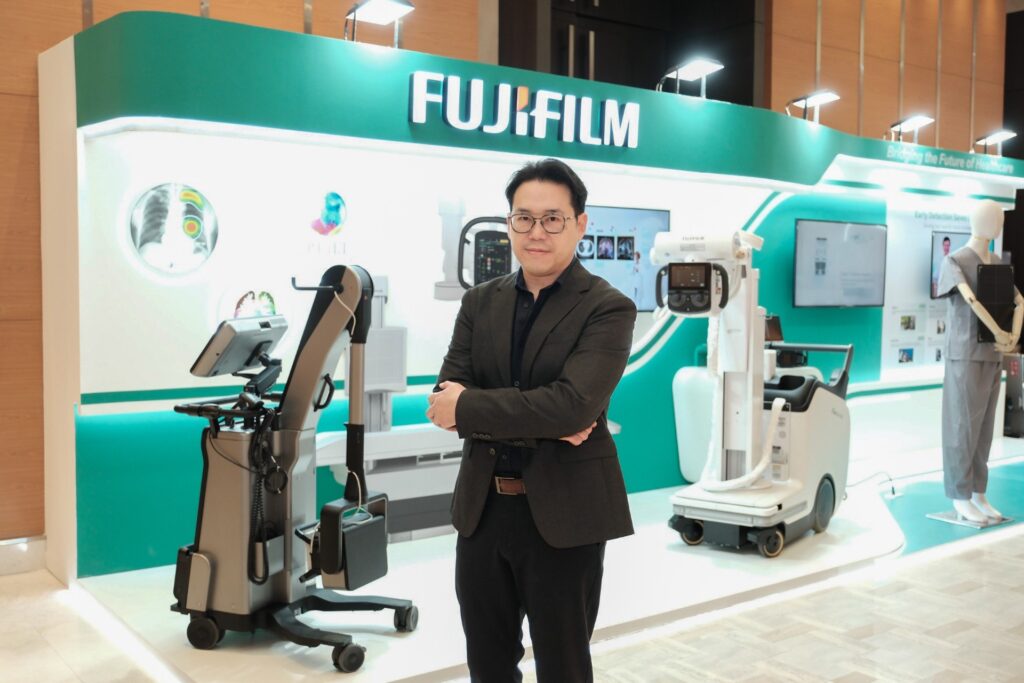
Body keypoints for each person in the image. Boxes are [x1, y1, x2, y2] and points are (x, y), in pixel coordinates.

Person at [427, 158, 636, 682]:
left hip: (565, 516)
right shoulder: (480, 302)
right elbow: (444, 400)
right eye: (523, 218)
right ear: (509, 223)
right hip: (483, 510)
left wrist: (476, 407)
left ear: (580, 224)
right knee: (488, 665)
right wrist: (548, 417)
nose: (536, 232)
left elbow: (573, 406)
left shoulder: (607, 308)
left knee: (563, 668)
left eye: (552, 219)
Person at [936, 200, 1023, 523]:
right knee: (961, 425)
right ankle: (959, 494)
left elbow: (1018, 300)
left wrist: (1011, 336)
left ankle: (978, 492)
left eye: (1000, 218)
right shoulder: (954, 260)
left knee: (985, 427)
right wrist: (1001, 331)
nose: (999, 223)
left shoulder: (996, 263)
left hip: (992, 353)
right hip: (965, 354)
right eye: (994, 217)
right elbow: (970, 299)